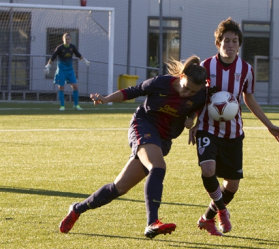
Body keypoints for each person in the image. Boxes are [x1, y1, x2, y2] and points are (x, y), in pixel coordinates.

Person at [59, 55, 208, 239]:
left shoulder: (200, 94)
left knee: (118, 188)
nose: (187, 94)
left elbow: (199, 106)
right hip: (143, 126)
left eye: (192, 92)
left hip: (163, 140)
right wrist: (106, 99)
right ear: (181, 76)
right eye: (186, 89)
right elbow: (131, 91)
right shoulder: (160, 83)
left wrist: (192, 119)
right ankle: (152, 222)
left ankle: (76, 209)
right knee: (158, 167)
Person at [188, 18, 279, 236]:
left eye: (234, 41)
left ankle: (207, 218)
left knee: (232, 185)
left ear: (239, 45)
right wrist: (194, 120)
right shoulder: (206, 66)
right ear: (218, 43)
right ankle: (222, 212)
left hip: (233, 133)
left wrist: (269, 125)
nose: (230, 45)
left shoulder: (246, 70)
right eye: (226, 41)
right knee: (208, 170)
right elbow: (196, 95)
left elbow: (249, 99)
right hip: (208, 128)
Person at [44, 33, 90, 111]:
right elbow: (53, 57)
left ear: (70, 40)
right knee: (61, 87)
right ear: (63, 39)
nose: (67, 40)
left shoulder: (72, 47)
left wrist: (84, 60)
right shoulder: (59, 48)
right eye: (66, 39)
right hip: (61, 70)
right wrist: (48, 65)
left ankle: (76, 105)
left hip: (70, 70)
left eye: (68, 39)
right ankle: (62, 106)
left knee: (75, 86)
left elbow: (78, 55)